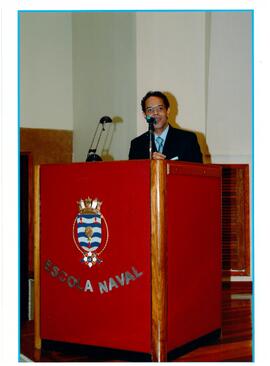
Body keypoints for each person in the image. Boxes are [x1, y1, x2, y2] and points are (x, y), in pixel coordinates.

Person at [128, 91, 202, 162]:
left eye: (160, 108)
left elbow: (198, 172)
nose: (155, 113)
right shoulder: (137, 145)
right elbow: (133, 173)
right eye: (150, 110)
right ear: (144, 115)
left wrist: (166, 166)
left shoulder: (188, 140)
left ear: (167, 111)